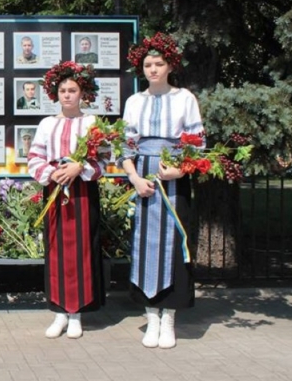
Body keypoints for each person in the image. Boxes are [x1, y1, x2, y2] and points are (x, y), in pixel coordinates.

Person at [119, 32, 201, 350]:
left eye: (159, 63)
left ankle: (169, 318)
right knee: (143, 244)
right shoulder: (135, 101)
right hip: (144, 180)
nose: (153, 69)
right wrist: (135, 178)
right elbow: (124, 146)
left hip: (174, 178)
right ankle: (150, 314)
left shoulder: (184, 99)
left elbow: (196, 145)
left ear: (170, 66)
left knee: (174, 242)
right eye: (148, 64)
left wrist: (180, 169)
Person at [27, 61, 105, 340]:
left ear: (83, 93)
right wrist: (52, 173)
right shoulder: (47, 123)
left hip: (82, 192)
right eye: (63, 90)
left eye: (73, 90)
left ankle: (77, 314)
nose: (68, 95)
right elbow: (34, 158)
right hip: (56, 192)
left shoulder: (92, 123)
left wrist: (78, 168)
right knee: (57, 250)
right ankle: (60, 312)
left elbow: (104, 160)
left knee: (82, 249)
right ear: (55, 93)